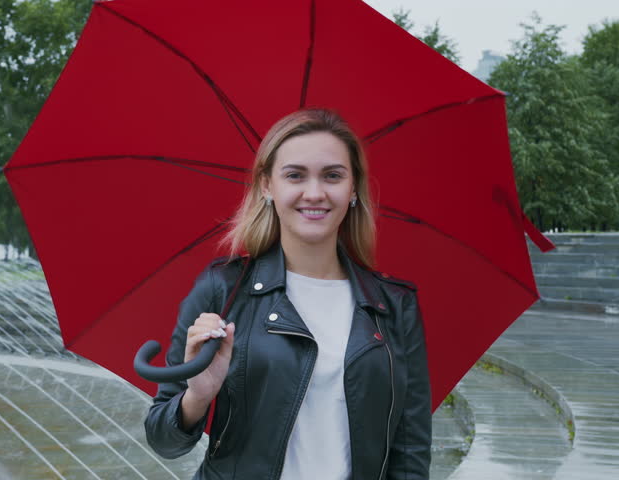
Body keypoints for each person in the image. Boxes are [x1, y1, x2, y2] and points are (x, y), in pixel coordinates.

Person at [144, 108, 431, 480]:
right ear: (267, 186)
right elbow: (163, 441)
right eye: (295, 175)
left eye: (332, 176)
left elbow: (410, 453)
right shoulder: (223, 290)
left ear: (353, 188)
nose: (314, 193)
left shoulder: (394, 306)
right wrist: (197, 396)